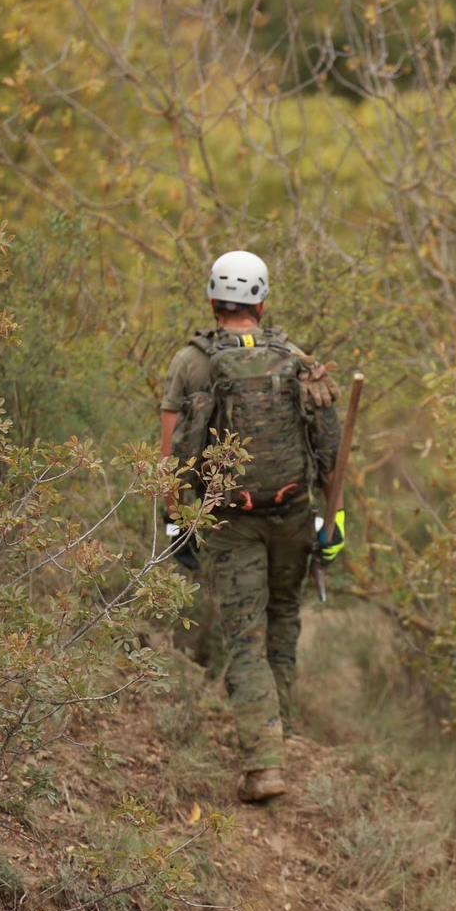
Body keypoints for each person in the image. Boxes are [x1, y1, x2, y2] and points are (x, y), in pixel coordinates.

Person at [159, 250, 344, 803]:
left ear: (213, 300)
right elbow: (329, 453)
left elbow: (170, 456)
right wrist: (334, 524)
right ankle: (278, 735)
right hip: (294, 513)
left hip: (229, 520)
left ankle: (265, 764)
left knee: (245, 638)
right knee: (284, 619)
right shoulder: (296, 359)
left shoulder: (190, 363)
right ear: (262, 302)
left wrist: (177, 524)